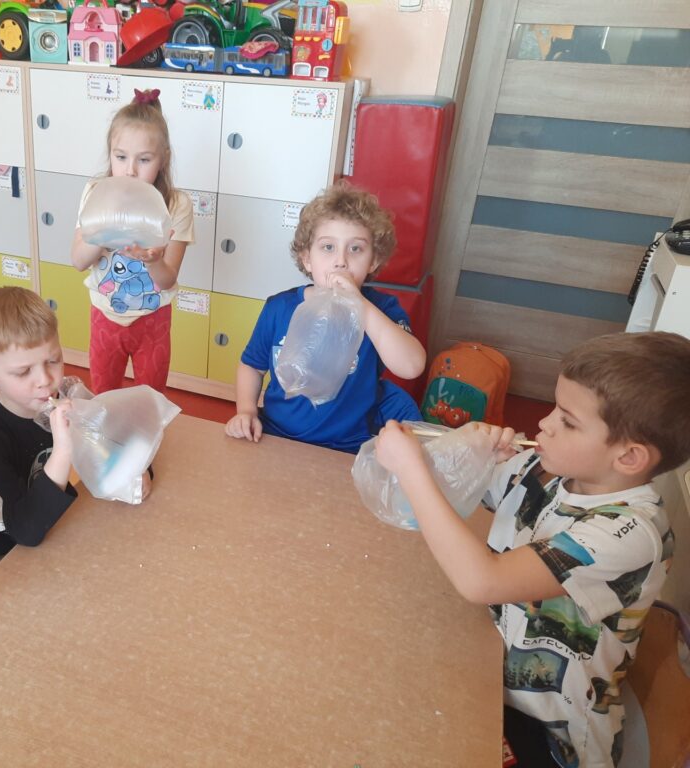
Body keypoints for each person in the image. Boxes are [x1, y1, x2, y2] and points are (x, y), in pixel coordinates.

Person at [373, 331, 690, 768]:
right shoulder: (547, 468)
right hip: (487, 672)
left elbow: (482, 581)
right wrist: (466, 450)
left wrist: (411, 468)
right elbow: (451, 496)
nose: (544, 424)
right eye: (555, 408)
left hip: (550, 733)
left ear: (629, 458)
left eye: (568, 421)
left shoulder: (630, 532)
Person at [0, 287, 151, 585]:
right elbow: (26, 530)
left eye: (53, 360)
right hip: (0, 561)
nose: (45, 380)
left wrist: (136, 470)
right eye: (23, 372)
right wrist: (63, 451)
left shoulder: (60, 398)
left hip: (50, 529)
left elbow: (120, 441)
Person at [225, 181, 426, 452]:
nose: (341, 261)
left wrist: (360, 305)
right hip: (276, 435)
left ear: (374, 260)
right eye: (328, 247)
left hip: (347, 446)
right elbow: (252, 365)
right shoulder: (279, 308)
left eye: (356, 249)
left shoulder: (382, 309)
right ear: (307, 258)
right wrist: (246, 410)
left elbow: (411, 366)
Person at [70, 87, 194, 394]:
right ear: (110, 153)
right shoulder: (95, 192)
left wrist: (154, 261)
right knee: (103, 396)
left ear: (163, 159)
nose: (130, 170)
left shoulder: (176, 204)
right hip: (105, 314)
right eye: (121, 157)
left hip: (153, 318)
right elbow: (78, 261)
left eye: (144, 159)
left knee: (150, 399)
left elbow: (167, 280)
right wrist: (105, 226)